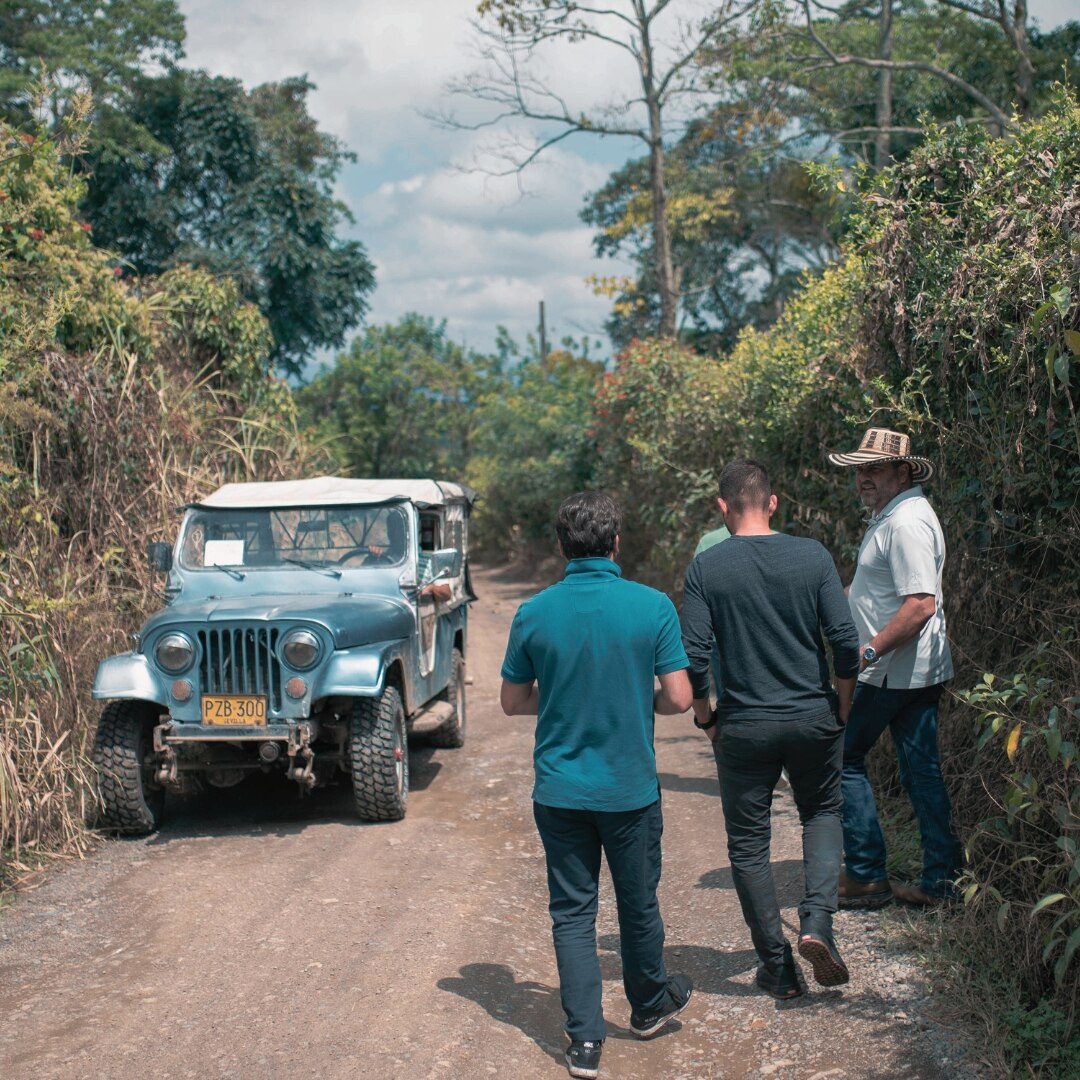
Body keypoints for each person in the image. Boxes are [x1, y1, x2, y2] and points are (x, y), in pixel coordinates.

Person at [500, 491, 694, 1080]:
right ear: (616, 543)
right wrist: (640, 698)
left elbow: (512, 702)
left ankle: (584, 1042)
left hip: (559, 793)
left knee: (573, 914)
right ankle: (647, 1007)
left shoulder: (534, 612)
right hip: (629, 790)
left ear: (561, 546)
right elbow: (681, 698)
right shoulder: (652, 606)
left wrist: (560, 699)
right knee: (638, 905)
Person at [681, 460, 860, 998]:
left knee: (750, 846)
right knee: (822, 813)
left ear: (722, 507)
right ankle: (817, 924)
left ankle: (778, 969)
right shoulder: (812, 555)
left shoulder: (707, 568)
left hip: (745, 726)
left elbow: (693, 658)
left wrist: (707, 719)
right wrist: (842, 707)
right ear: (774, 502)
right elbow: (846, 641)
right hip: (812, 717)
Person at [827, 428, 962, 908]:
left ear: (903, 472)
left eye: (875, 469)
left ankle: (864, 873)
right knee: (922, 774)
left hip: (889, 673)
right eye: (860, 469)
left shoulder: (905, 523)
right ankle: (943, 883)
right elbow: (878, 594)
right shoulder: (896, 516)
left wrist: (867, 653)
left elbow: (920, 605)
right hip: (911, 672)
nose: (863, 478)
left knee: (841, 757)